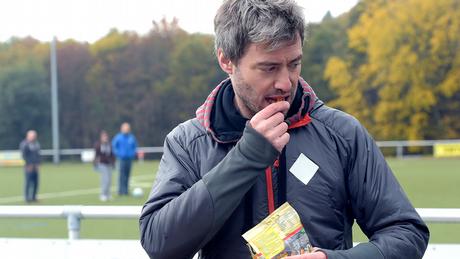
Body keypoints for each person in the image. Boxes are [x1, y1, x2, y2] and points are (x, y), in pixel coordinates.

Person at [139, 0, 429, 258]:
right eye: (269, 68)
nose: (285, 83)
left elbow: (407, 233)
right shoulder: (189, 142)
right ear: (227, 60)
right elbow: (159, 244)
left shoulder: (342, 134)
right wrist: (245, 158)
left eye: (294, 64)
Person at [112, 122, 137, 196]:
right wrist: (118, 154)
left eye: (127, 128)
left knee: (127, 175)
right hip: (121, 159)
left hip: (129, 159)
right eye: (125, 128)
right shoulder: (118, 137)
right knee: (121, 176)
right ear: (122, 129)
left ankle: (126, 191)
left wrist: (132, 154)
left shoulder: (131, 137)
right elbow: (114, 146)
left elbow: (134, 147)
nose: (126, 130)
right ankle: (120, 191)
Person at [19, 130, 41, 203]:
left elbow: (38, 155)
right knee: (28, 182)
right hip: (28, 167)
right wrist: (28, 164)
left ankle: (34, 197)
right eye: (32, 136)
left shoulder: (36, 144)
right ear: (28, 136)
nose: (34, 137)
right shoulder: (24, 144)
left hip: (35, 166)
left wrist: (38, 164)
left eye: (35, 136)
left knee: (36, 182)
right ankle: (26, 198)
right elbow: (23, 155)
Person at [94, 130, 115, 202]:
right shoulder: (98, 145)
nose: (105, 138)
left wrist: (113, 163)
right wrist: (95, 164)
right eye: (103, 136)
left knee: (109, 180)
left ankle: (108, 194)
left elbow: (112, 154)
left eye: (106, 136)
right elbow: (96, 155)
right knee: (105, 180)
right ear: (101, 137)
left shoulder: (110, 144)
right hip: (102, 164)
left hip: (109, 164)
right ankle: (102, 195)